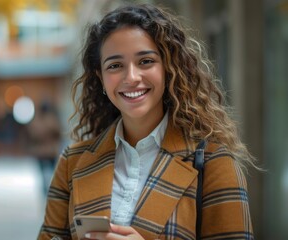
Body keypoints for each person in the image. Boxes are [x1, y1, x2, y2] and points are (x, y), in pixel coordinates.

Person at [38, 3, 257, 240]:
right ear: (101, 78)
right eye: (115, 66)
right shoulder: (73, 162)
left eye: (146, 61)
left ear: (168, 67)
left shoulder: (214, 162)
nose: (131, 77)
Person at [27, 101, 62, 196]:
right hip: (48, 151)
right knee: (49, 173)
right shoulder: (51, 120)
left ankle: (48, 191)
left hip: (45, 151)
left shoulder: (37, 121)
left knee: (47, 173)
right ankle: (49, 191)